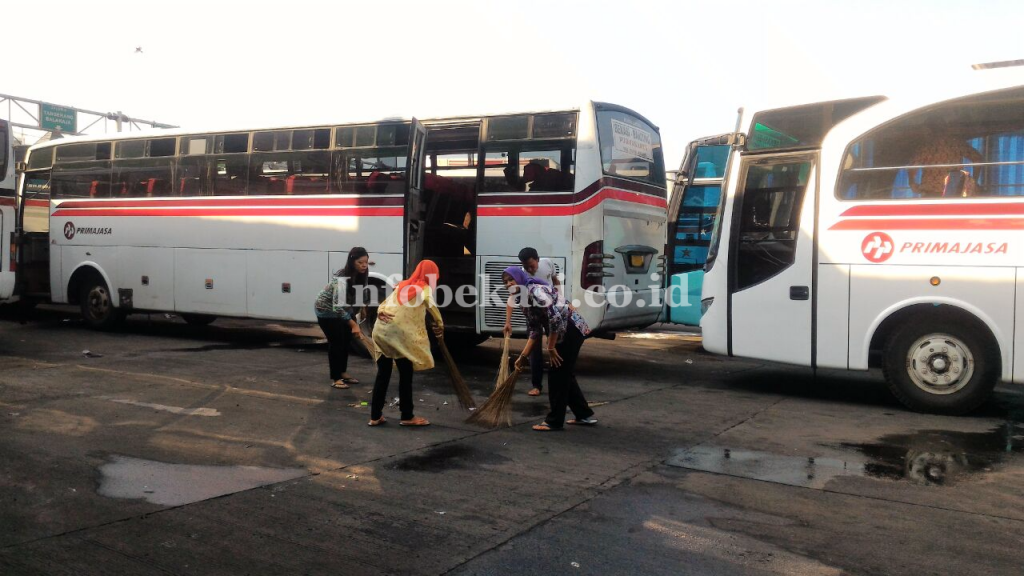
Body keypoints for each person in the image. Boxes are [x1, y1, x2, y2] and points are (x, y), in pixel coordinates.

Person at [503, 266, 596, 431]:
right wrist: (523, 356)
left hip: (570, 330)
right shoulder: (522, 299)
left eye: (511, 279)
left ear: (519, 277)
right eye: (506, 282)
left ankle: (554, 421)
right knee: (563, 372)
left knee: (557, 373)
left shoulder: (535, 292)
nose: (509, 283)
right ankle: (583, 414)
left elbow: (555, 319)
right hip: (564, 330)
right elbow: (535, 330)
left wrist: (551, 347)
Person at [368, 260, 446, 427]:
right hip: (399, 335)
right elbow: (432, 307)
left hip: (381, 330)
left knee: (383, 373)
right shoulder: (424, 288)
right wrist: (440, 325)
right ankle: (407, 416)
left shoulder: (402, 285)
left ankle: (375, 416)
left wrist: (379, 312)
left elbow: (384, 305)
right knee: (405, 374)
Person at [504, 247, 561, 397]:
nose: (530, 269)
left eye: (532, 266)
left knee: (555, 348)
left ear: (538, 260)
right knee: (534, 350)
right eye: (526, 267)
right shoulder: (521, 276)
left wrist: (561, 300)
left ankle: (559, 384)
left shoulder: (547, 264)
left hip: (551, 313)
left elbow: (555, 282)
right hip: (536, 314)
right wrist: (508, 322)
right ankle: (537, 385)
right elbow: (512, 298)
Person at [314, 247, 369, 389]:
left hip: (344, 308)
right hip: (326, 311)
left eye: (366, 262)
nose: (364, 265)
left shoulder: (362, 274)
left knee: (346, 341)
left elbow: (359, 294)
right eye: (360, 262)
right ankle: (336, 377)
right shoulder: (342, 279)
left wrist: (362, 308)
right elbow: (337, 308)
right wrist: (353, 325)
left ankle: (343, 372)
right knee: (337, 342)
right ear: (352, 262)